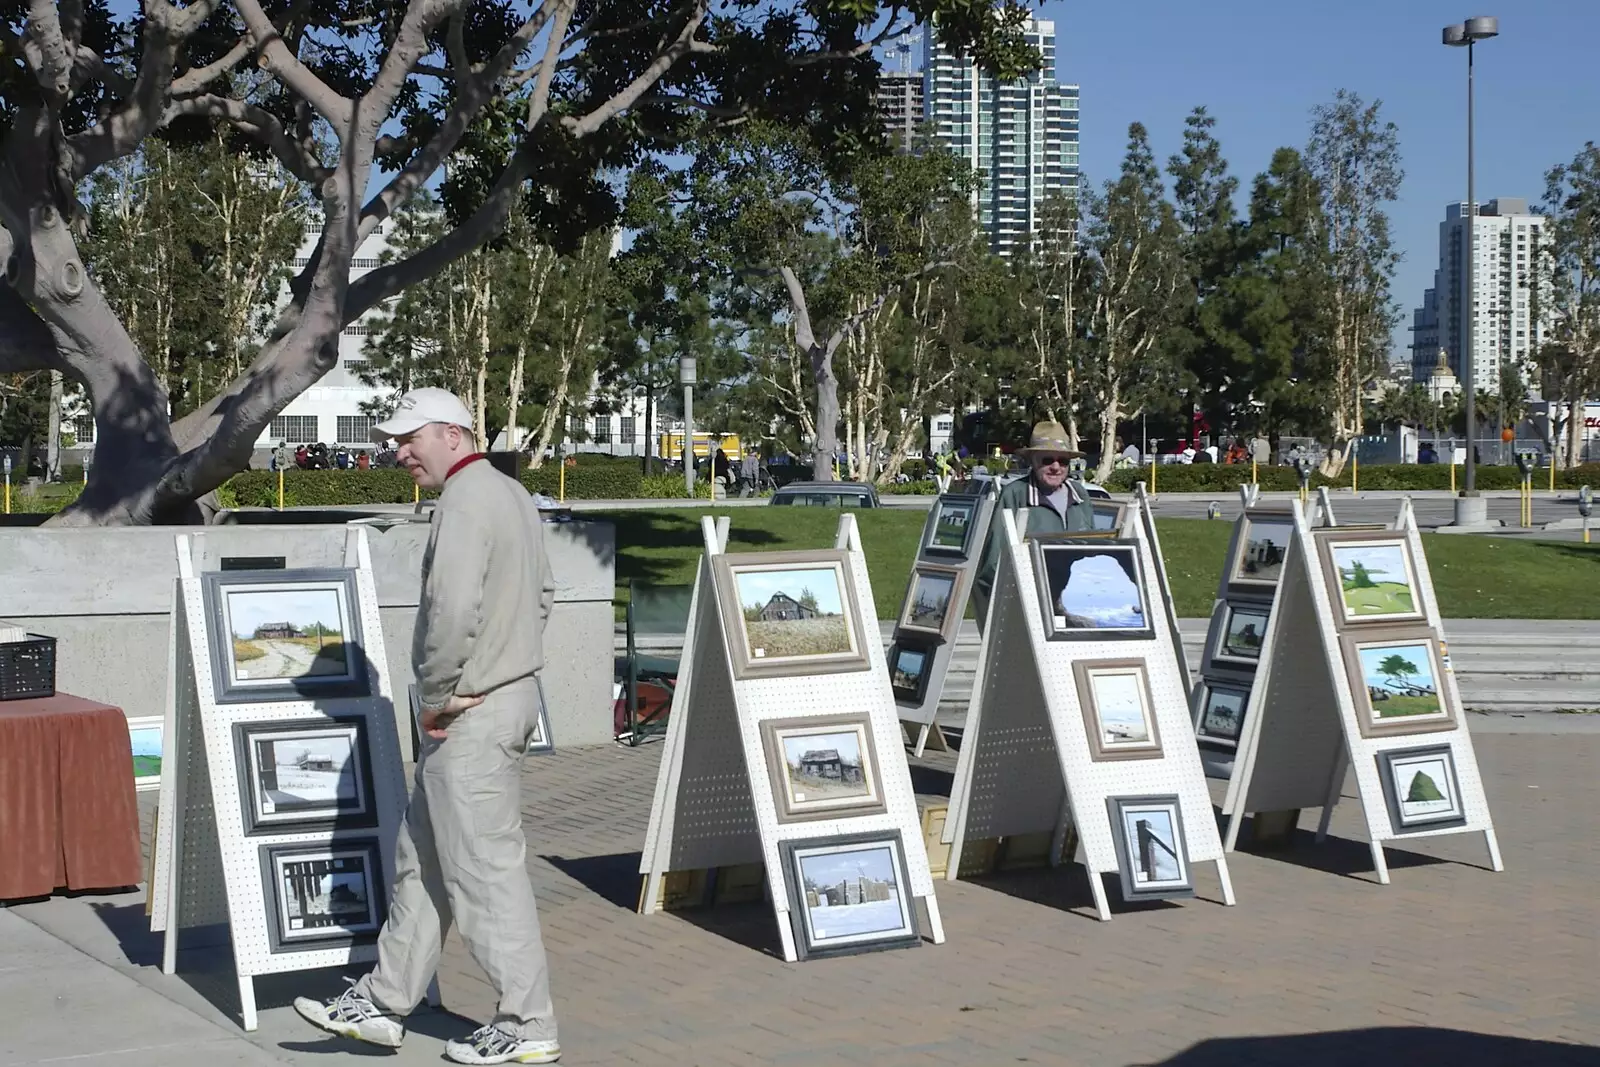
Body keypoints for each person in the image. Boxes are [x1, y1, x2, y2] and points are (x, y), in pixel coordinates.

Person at [293, 387, 562, 1065]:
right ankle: (385, 1002)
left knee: (482, 870)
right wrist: (511, 659)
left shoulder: (466, 501)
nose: (399, 450)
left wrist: (439, 696)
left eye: (411, 436)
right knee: (427, 860)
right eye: (396, 437)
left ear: (452, 432)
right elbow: (546, 592)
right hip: (501, 696)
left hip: (469, 706)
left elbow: (449, 612)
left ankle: (528, 1023)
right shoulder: (510, 493)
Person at [972, 420, 1095, 622]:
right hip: (1029, 610)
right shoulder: (1015, 495)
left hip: (1076, 608)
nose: (1056, 467)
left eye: (1063, 461)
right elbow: (994, 563)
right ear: (1032, 461)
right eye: (1047, 460)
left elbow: (1093, 554)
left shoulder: (1080, 495)